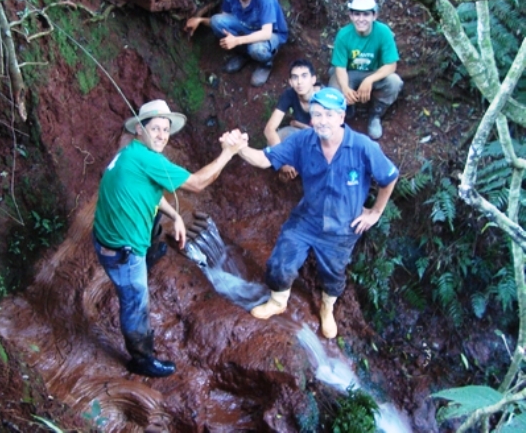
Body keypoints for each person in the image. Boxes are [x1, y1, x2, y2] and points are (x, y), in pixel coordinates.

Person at [92, 99, 247, 377]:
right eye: (156, 129)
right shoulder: (148, 159)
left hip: (109, 233)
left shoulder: (132, 155)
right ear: (139, 129)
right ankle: (141, 358)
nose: (162, 135)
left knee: (154, 216)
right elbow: (198, 184)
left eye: (166, 129)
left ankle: (148, 255)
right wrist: (228, 153)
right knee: (136, 301)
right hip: (121, 251)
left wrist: (175, 215)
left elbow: (147, 192)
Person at [236, 88, 399, 339]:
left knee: (333, 274)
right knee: (281, 260)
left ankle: (327, 308)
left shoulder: (363, 146)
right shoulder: (303, 141)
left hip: (344, 226)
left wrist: (375, 212)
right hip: (307, 219)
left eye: (329, 115)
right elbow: (264, 159)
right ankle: (278, 301)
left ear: (341, 117)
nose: (322, 120)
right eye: (317, 114)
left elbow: (389, 177)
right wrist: (239, 148)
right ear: (311, 118)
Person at [184, 0, 289, 87]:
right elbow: (223, 20)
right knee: (217, 21)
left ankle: (265, 64)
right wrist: (200, 20)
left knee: (256, 48)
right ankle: (244, 55)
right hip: (247, 27)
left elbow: (266, 33)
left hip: (271, 34)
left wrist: (237, 41)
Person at [328, 0, 403, 140]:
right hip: (350, 73)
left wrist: (369, 80)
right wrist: (345, 88)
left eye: (366, 14)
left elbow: (391, 65)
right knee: (333, 89)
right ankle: (345, 111)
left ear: (374, 16)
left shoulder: (383, 32)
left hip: (374, 73)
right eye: (357, 14)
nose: (361, 19)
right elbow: (340, 67)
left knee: (394, 82)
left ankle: (375, 115)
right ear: (351, 15)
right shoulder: (344, 35)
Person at [263, 58, 321, 181]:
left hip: (320, 139)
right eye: (295, 77)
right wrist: (283, 160)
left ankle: (302, 169)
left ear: (313, 79)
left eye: (304, 76)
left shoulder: (325, 97)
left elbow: (331, 133)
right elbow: (269, 129)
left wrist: (298, 124)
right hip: (300, 134)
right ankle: (290, 167)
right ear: (290, 82)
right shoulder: (289, 94)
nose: (299, 82)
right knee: (274, 139)